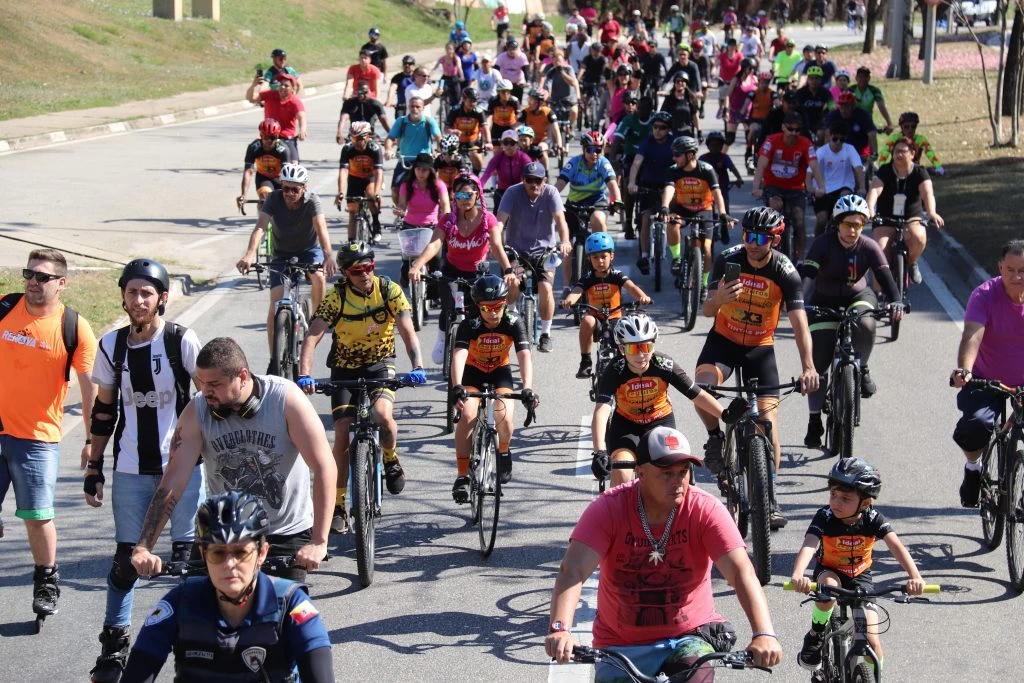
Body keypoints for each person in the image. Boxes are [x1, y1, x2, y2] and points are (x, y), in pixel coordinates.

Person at [546, 426, 783, 681]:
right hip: (620, 646)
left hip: (688, 639)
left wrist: (764, 634)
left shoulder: (704, 510)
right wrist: (560, 628)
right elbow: (573, 570)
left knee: (697, 676)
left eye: (683, 472)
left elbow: (740, 571)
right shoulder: (609, 509)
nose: (678, 481)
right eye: (667, 473)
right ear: (641, 473)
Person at [130, 337, 337, 583]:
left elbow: (325, 467)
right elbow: (172, 481)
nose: (205, 391)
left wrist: (319, 542)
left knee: (283, 614)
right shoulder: (198, 411)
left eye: (214, 384)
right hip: (223, 533)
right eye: (202, 382)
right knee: (193, 611)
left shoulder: (286, 400)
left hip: (283, 532)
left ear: (243, 376)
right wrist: (143, 547)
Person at [86, 259, 204, 683]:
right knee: (125, 563)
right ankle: (114, 649)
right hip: (132, 469)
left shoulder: (180, 340)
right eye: (132, 292)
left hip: (184, 468)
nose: (138, 300)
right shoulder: (111, 345)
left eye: (147, 293)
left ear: (163, 299)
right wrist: (95, 465)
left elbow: (210, 394)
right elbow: (104, 411)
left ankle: (199, 646)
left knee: (191, 564)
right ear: (123, 295)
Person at [695, 207, 819, 529]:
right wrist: (719, 297)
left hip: (759, 348)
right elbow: (707, 311)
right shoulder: (729, 261)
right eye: (749, 236)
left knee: (768, 423)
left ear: (775, 240)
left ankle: (770, 499)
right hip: (724, 341)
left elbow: (799, 324)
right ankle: (714, 439)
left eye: (761, 238)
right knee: (701, 387)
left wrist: (809, 367)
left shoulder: (784, 271)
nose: (753, 243)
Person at [123, 493, 334, 682]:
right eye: (218, 553)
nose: (229, 564)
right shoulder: (179, 603)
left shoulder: (292, 605)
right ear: (204, 556)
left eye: (241, 553)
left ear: (262, 553)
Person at [297, 243, 425, 533]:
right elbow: (311, 338)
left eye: (369, 267)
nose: (365, 274)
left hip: (381, 363)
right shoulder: (336, 297)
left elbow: (407, 330)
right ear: (345, 273)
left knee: (382, 414)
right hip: (344, 367)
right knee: (342, 431)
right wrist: (305, 375)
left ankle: (390, 459)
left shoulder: (389, 290)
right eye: (357, 271)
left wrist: (416, 366)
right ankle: (340, 504)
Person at [0, 248, 98, 623]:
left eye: (43, 277)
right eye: (29, 274)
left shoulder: (73, 327)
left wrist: (92, 440)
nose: (33, 282)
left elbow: (89, 388)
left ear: (61, 283)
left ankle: (46, 580)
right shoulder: (6, 308)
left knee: (37, 516)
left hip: (37, 439)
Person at [789, 458, 925, 674]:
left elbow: (896, 547)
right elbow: (809, 545)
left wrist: (915, 577)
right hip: (829, 571)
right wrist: (798, 575)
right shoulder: (825, 516)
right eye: (833, 494)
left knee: (872, 639)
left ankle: (874, 676)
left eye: (845, 498)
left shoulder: (873, 519)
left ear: (865, 502)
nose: (836, 502)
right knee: (829, 589)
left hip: (861, 577)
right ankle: (816, 634)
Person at [799, 196, 904, 448]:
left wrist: (896, 301)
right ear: (837, 224)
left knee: (867, 325)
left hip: (858, 296)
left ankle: (863, 367)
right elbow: (808, 277)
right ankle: (814, 419)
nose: (853, 230)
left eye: (859, 225)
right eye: (848, 225)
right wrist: (798, 303)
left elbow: (887, 279)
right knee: (819, 362)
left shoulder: (868, 246)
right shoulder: (822, 244)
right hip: (823, 301)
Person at [589, 314, 727, 489]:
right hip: (626, 426)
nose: (641, 354)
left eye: (646, 346)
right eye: (633, 349)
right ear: (622, 349)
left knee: (674, 477)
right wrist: (599, 452)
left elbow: (697, 394)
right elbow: (602, 410)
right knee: (622, 474)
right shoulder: (615, 370)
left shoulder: (664, 364)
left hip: (660, 422)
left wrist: (725, 414)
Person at [409, 172, 514, 362]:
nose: (464, 200)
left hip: (478, 273)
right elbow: (435, 244)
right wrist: (417, 265)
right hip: (452, 270)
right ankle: (442, 339)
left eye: (468, 195)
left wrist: (507, 270)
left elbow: (497, 247)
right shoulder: (447, 220)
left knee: (479, 314)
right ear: (454, 198)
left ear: (477, 195)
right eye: (459, 196)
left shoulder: (488, 219)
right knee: (448, 306)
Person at [950, 240, 1024, 506]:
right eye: (1010, 270)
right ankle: (973, 468)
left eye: (1023, 271)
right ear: (1000, 268)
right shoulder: (984, 295)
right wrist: (965, 370)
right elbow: (972, 335)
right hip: (986, 378)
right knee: (977, 425)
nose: (1016, 277)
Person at [235, 162, 335, 357]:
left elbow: (321, 228)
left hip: (309, 250)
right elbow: (260, 226)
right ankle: (274, 358)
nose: (289, 193)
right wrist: (249, 254)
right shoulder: (273, 198)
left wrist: (329, 256)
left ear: (304, 187)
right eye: (286, 188)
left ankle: (317, 319)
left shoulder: (312, 201)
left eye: (294, 189)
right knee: (275, 305)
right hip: (282, 254)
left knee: (319, 277)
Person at [449, 275, 536, 497]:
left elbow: (524, 355)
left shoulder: (514, 322)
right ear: (478, 306)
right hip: (472, 372)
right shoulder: (469, 324)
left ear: (505, 303)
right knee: (468, 414)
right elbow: (459, 355)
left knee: (504, 415)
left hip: (500, 372)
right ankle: (462, 476)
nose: (492, 312)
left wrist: (527, 387)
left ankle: (504, 452)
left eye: (497, 306)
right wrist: (457, 386)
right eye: (486, 307)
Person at [496, 162, 572, 353]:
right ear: (523, 180)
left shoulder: (551, 193)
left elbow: (561, 221)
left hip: (544, 252)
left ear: (544, 181)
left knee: (546, 288)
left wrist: (564, 240)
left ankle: (545, 334)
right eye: (529, 180)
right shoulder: (512, 193)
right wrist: (495, 241)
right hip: (517, 251)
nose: (533, 184)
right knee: (513, 283)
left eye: (538, 180)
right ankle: (511, 314)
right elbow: (499, 222)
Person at [561, 233, 652, 379]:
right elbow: (577, 291)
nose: (600, 261)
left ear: (612, 256)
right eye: (595, 257)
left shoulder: (616, 275)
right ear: (588, 259)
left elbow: (631, 287)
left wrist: (642, 296)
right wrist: (569, 300)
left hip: (615, 319)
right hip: (596, 320)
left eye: (604, 256)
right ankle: (585, 361)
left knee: (627, 342)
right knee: (587, 320)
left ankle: (629, 368)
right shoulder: (588, 278)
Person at [661, 136, 733, 297]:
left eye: (677, 154)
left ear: (690, 155)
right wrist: (665, 207)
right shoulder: (674, 170)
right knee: (672, 222)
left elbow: (717, 193)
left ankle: (704, 283)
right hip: (682, 208)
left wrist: (723, 214)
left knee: (706, 248)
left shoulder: (706, 169)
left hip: (704, 210)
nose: (674, 158)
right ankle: (677, 258)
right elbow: (669, 189)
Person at [866, 136, 944, 285]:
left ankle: (911, 263)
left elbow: (927, 194)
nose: (898, 155)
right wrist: (870, 209)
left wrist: (932, 212)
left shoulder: (920, 172)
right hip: (885, 219)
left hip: (911, 218)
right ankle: (880, 296)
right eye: (896, 152)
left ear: (913, 154)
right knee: (880, 253)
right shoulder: (885, 171)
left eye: (903, 151)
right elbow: (874, 191)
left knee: (919, 237)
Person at [752, 112, 826, 260]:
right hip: (773, 185)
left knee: (799, 221)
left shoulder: (806, 143)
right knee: (775, 207)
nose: (793, 133)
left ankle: (799, 260)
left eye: (797, 130)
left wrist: (821, 187)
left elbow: (815, 167)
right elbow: (761, 164)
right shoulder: (771, 141)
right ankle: (770, 251)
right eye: (790, 129)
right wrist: (756, 187)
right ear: (783, 127)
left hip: (796, 188)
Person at [556, 130, 622, 262]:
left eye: (598, 150)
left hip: (596, 202)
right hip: (574, 203)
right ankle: (566, 283)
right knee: (566, 247)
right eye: (590, 150)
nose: (594, 154)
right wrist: (550, 199)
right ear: (583, 149)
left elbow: (613, 185)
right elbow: (560, 184)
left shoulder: (603, 163)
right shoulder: (574, 163)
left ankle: (603, 258)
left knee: (598, 219)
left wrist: (618, 201)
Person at [628, 111, 676, 275]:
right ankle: (645, 256)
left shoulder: (673, 143)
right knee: (645, 219)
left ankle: (677, 257)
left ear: (668, 129)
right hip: (647, 185)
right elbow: (636, 163)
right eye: (655, 127)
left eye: (662, 128)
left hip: (667, 186)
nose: (658, 130)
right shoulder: (647, 142)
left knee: (671, 219)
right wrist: (632, 182)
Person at [384, 97, 442, 206]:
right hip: (405, 161)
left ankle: (433, 212)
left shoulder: (429, 122)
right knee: (395, 189)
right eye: (412, 106)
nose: (414, 109)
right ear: (408, 107)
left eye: (417, 106)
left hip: (424, 161)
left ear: (423, 108)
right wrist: (388, 149)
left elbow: (439, 138)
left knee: (433, 188)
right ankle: (402, 213)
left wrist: (438, 151)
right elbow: (390, 138)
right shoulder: (401, 121)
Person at [812, 120, 865, 236]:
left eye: (842, 140)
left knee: (845, 196)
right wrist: (811, 189)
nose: (838, 143)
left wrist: (862, 187)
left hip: (843, 187)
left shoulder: (850, 149)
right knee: (821, 219)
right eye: (835, 139)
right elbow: (810, 172)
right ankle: (817, 244)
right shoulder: (822, 151)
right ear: (830, 136)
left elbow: (858, 169)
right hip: (824, 190)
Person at [336, 121, 385, 241]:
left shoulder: (374, 148)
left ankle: (376, 223)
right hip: (354, 179)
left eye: (359, 138)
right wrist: (340, 192)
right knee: (352, 212)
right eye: (353, 138)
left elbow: (378, 172)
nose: (356, 141)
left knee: (371, 195)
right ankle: (351, 242)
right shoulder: (348, 148)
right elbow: (343, 171)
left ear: (368, 136)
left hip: (370, 178)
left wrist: (377, 193)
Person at [237, 118, 294, 212]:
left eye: (273, 137)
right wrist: (244, 195)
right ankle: (263, 224)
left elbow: (287, 174)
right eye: (265, 137)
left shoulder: (283, 149)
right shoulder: (253, 148)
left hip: (280, 178)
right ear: (260, 135)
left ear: (278, 136)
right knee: (264, 199)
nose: (269, 140)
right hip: (263, 177)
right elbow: (248, 172)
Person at [246, 72, 306, 161]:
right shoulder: (270, 94)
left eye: (286, 86)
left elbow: (301, 117)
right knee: (254, 155)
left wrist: (302, 130)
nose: (282, 87)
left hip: (286, 139)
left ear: (293, 88)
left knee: (294, 165)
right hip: (268, 137)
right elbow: (251, 98)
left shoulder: (295, 102)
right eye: (281, 84)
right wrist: (253, 85)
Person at [876, 111, 944, 175]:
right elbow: (884, 153)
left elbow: (930, 153)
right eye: (906, 126)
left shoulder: (921, 139)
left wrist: (938, 166)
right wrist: (881, 167)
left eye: (913, 126)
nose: (910, 129)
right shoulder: (894, 139)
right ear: (901, 127)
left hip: (913, 170)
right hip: (895, 170)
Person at [823, 91, 876, 172]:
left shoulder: (863, 115)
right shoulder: (833, 115)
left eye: (847, 107)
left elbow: (872, 135)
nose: (844, 110)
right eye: (842, 107)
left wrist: (874, 154)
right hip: (838, 150)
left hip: (860, 152)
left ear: (853, 106)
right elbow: (827, 135)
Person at [480, 129, 531, 210]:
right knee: (497, 202)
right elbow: (487, 173)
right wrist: (480, 187)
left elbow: (530, 174)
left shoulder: (523, 157)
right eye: (506, 143)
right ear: (502, 144)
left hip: (521, 190)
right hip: (503, 191)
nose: (509, 146)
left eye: (512, 143)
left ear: (517, 144)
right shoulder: (498, 157)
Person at [699, 131, 744, 215]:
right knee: (707, 208)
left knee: (725, 207)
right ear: (708, 146)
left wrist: (739, 178)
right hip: (707, 187)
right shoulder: (703, 158)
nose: (715, 147)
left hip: (722, 186)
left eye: (718, 145)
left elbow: (732, 168)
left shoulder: (724, 157)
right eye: (713, 145)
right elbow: (696, 170)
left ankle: (725, 225)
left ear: (722, 146)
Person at [446, 87, 490, 173]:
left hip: (473, 141)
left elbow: (485, 128)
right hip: (458, 142)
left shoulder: (479, 112)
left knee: (476, 158)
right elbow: (446, 128)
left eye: (475, 101)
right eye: (470, 100)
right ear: (464, 99)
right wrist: (452, 131)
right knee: (453, 163)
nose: (473, 103)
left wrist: (488, 142)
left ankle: (476, 179)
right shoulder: (455, 110)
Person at [520, 87, 562, 168]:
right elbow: (516, 126)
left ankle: (546, 173)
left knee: (541, 148)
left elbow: (556, 130)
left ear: (540, 102)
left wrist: (559, 144)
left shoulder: (548, 112)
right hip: (529, 140)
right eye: (529, 100)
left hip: (545, 140)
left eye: (532, 101)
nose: (530, 103)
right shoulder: (525, 112)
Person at [542, 50, 581, 133]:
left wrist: (562, 72)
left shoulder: (568, 69)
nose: (557, 63)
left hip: (570, 99)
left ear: (563, 60)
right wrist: (546, 96)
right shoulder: (551, 71)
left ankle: (570, 127)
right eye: (555, 61)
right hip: (556, 99)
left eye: (559, 61)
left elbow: (572, 82)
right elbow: (547, 85)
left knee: (574, 111)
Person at [795, 65, 835, 145]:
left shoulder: (825, 92)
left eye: (816, 78)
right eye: (811, 78)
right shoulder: (800, 92)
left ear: (820, 80)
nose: (814, 81)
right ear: (808, 79)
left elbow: (832, 106)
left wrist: (830, 112)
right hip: (803, 121)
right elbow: (795, 108)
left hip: (819, 122)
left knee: (821, 135)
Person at [850, 66, 894, 134]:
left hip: (867, 120)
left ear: (869, 78)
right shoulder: (851, 89)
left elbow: (881, 106)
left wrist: (889, 123)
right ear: (856, 78)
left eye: (865, 77)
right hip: (852, 120)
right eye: (860, 77)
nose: (863, 79)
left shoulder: (874, 90)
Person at [434, 42, 466, 111]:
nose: (449, 51)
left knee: (457, 97)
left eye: (450, 49)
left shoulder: (456, 58)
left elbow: (459, 68)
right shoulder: (442, 58)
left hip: (454, 78)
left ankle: (455, 109)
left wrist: (462, 76)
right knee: (441, 90)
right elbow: (435, 68)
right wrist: (428, 76)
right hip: (445, 78)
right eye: (447, 49)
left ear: (454, 50)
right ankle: (443, 103)